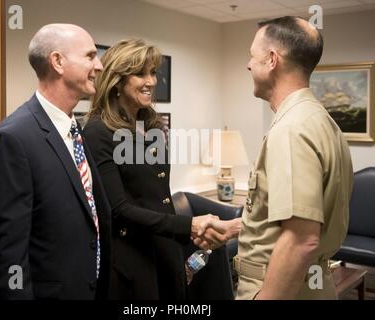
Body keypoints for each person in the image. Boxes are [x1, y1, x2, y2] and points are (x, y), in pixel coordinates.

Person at [0, 24, 111, 300]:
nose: (98, 65)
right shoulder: (13, 139)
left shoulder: (74, 129)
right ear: (58, 62)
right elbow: (3, 256)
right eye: (89, 56)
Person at [82, 39, 222, 299]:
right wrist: (187, 225)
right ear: (117, 80)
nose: (152, 81)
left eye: (153, 72)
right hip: (132, 261)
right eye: (140, 73)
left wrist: (182, 245)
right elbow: (119, 209)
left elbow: (159, 196)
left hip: (166, 250)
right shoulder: (97, 131)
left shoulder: (152, 127)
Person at [230, 16, 354, 300]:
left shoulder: (290, 130)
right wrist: (235, 227)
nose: (248, 65)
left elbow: (301, 239)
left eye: (252, 56)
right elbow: (298, 221)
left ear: (272, 60)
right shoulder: (321, 120)